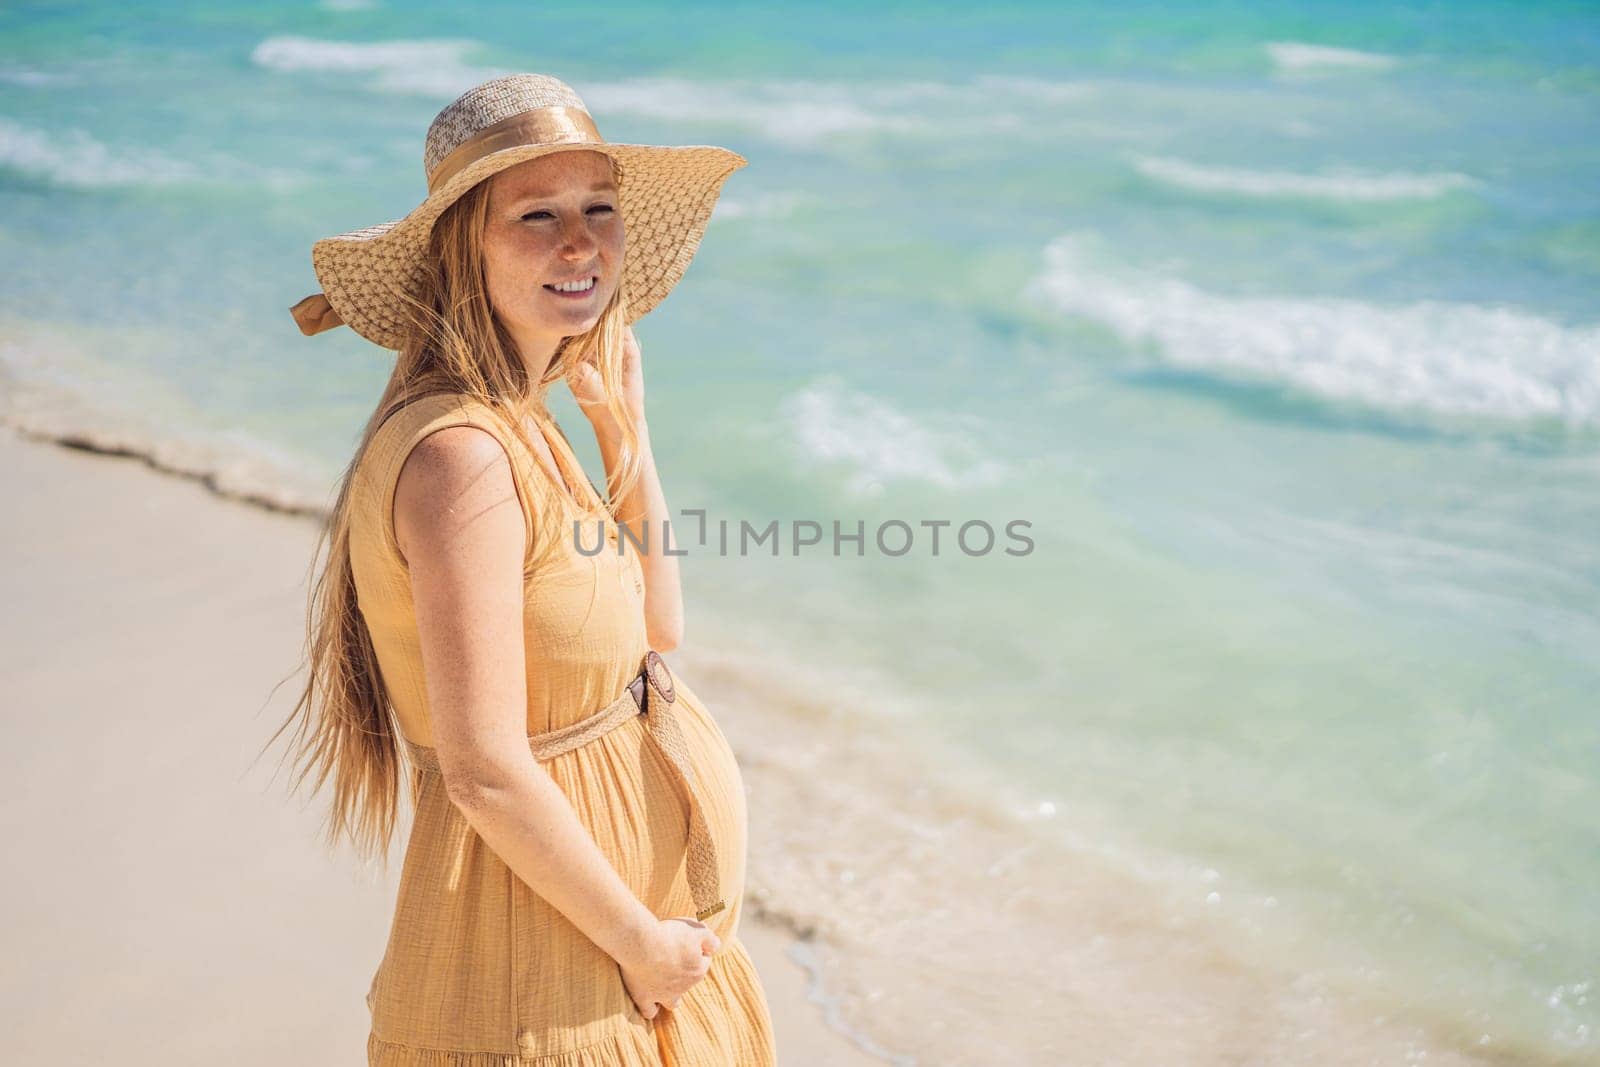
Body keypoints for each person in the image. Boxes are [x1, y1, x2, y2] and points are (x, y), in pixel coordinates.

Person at [270, 73, 776, 1065]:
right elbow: (484, 770)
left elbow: (657, 626)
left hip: (617, 946)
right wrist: (642, 944)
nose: (580, 242)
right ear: (465, 250)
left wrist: (626, 430)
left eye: (597, 209)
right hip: (544, 966)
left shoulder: (523, 425)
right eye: (535, 216)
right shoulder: (461, 455)